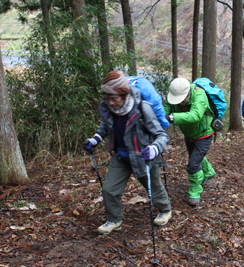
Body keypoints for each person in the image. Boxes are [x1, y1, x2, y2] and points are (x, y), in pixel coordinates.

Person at [83, 70, 172, 235]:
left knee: (154, 187)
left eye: (114, 98)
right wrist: (95, 139)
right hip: (121, 156)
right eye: (107, 98)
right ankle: (115, 220)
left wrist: (154, 149)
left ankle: (165, 210)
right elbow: (106, 125)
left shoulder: (142, 108)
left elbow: (161, 135)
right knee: (109, 190)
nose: (110, 102)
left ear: (125, 95)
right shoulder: (110, 107)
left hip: (143, 156)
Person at [164, 78, 216, 206]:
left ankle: (195, 192)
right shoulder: (172, 96)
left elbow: (195, 115)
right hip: (189, 134)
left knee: (193, 165)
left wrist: (172, 117)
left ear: (188, 94)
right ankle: (209, 172)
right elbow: (165, 110)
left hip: (204, 134)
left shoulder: (199, 95)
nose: (179, 102)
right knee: (195, 157)